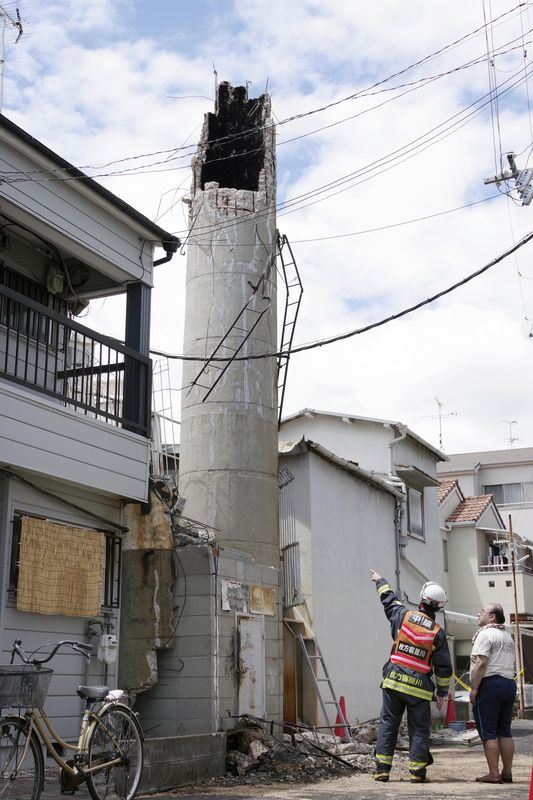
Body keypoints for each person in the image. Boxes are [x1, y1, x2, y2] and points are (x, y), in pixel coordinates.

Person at [370, 569, 452, 783]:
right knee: (419, 729)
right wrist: (442, 691)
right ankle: (417, 772)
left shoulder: (403, 616)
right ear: (439, 606)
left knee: (388, 724)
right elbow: (443, 667)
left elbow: (389, 600)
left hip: (394, 682)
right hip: (419, 689)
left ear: (422, 600)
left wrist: (381, 581)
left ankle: (382, 770)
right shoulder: (437, 632)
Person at [470, 603, 516, 784]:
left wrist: (474, 688)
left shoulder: (485, 634)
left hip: (490, 684)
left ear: (492, 617)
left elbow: (481, 663)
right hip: (508, 684)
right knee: (504, 731)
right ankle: (507, 772)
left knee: (489, 732)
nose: (479, 614)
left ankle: (494, 774)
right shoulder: (507, 636)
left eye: (482, 612)